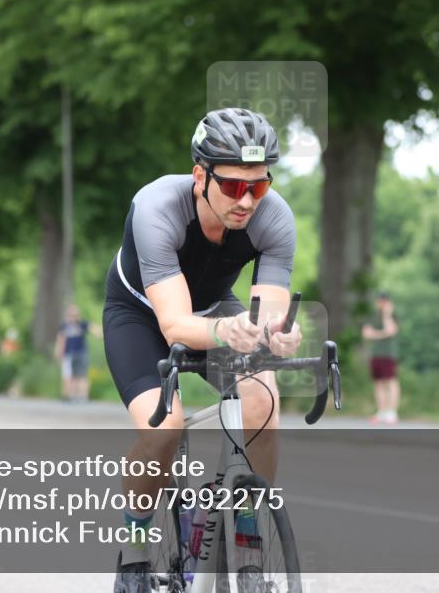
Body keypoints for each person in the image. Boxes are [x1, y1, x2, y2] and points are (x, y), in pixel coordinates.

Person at [102, 108, 302, 592]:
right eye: (234, 186)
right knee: (163, 430)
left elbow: (266, 313)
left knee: (262, 403)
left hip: (215, 308)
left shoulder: (274, 217)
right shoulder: (156, 207)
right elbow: (173, 323)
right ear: (200, 176)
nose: (247, 200)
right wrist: (227, 332)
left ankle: (249, 545)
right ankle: (134, 550)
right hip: (140, 316)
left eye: (259, 185)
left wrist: (277, 335)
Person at [361, 292, 400, 425]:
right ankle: (382, 411)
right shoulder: (372, 317)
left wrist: (387, 315)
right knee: (378, 383)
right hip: (376, 354)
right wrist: (382, 334)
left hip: (389, 354)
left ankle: (392, 412)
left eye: (385, 301)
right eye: (380, 301)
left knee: (391, 382)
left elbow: (391, 330)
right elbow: (366, 334)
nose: (382, 304)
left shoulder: (392, 316)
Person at [54, 306, 101, 402]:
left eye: (75, 315)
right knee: (69, 376)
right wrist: (58, 352)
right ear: (67, 316)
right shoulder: (64, 326)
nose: (73, 317)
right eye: (71, 315)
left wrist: (105, 333)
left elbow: (94, 329)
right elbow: (60, 340)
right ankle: (69, 395)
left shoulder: (82, 324)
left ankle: (82, 396)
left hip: (81, 353)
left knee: (82, 375)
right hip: (68, 354)